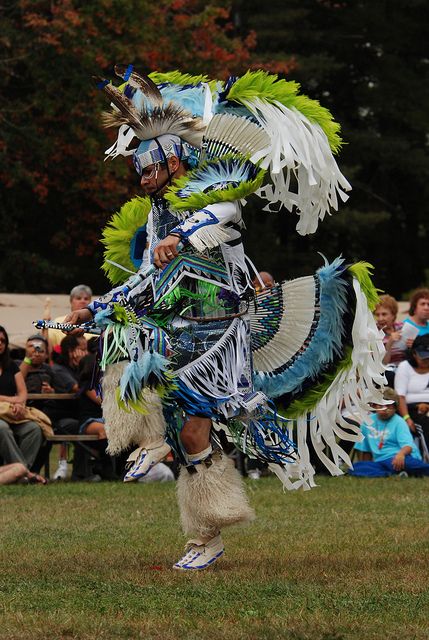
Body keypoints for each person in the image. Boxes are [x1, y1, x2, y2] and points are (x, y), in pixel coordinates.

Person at [65, 67, 384, 570]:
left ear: (174, 161)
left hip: (225, 331)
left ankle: (240, 443)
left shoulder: (219, 195)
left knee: (200, 421)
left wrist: (182, 237)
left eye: (150, 169)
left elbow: (218, 218)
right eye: (139, 173)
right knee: (133, 356)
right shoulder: (155, 219)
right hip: (179, 327)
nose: (143, 179)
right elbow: (147, 274)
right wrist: (98, 308)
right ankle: (194, 514)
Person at [348, 388, 429, 477]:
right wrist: (365, 464)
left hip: (401, 458)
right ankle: (393, 474)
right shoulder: (367, 422)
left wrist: (400, 455)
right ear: (374, 406)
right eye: (381, 405)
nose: (384, 409)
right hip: (380, 462)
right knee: (356, 467)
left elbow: (408, 446)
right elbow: (365, 450)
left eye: (389, 406)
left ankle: (396, 472)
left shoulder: (399, 422)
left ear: (395, 407)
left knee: (413, 464)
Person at [0, 326, 44, 471]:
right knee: (2, 428)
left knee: (34, 429)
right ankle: (23, 472)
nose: (0, 343)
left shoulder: (10, 366)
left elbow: (22, 393)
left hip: (12, 413)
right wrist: (13, 400)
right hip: (3, 417)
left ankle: (21, 472)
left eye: (2, 341)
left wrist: (19, 405)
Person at [48, 334, 88, 480]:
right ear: (71, 351)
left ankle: (97, 469)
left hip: (77, 414)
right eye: (82, 349)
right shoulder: (59, 370)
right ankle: (80, 474)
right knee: (83, 427)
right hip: (59, 419)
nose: (85, 353)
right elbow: (78, 388)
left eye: (86, 349)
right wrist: (85, 363)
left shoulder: (77, 368)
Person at [394, 334, 429, 450]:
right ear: (414, 353)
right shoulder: (405, 367)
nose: (425, 360)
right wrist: (406, 418)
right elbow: (400, 397)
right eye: (423, 357)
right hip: (411, 410)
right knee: (426, 424)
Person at [374, 294, 406, 385]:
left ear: (393, 315)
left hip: (405, 368)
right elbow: (383, 363)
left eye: (384, 314)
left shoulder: (402, 327)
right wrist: (389, 343)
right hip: (387, 372)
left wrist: (411, 345)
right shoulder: (374, 334)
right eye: (377, 315)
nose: (380, 318)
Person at [48, 285, 94, 349]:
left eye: (86, 299)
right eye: (78, 298)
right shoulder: (58, 322)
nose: (83, 301)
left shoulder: (97, 324)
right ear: (71, 301)